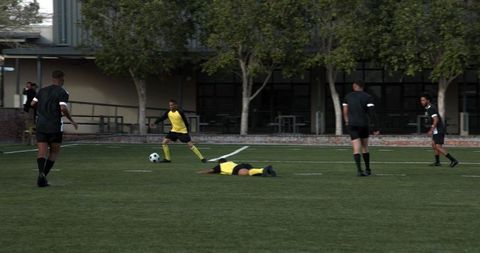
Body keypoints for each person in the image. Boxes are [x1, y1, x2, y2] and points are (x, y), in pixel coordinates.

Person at [31, 70, 78, 187]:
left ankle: (41, 174)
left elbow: (32, 103)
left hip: (41, 124)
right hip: (54, 125)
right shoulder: (62, 92)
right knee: (54, 152)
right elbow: (63, 108)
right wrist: (71, 120)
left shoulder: (42, 91)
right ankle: (43, 176)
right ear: (62, 78)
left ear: (52, 78)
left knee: (42, 152)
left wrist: (42, 110)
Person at [342, 80, 379, 177]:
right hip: (363, 124)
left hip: (352, 124)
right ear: (363, 87)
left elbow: (345, 110)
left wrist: (346, 121)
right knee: (365, 147)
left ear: (354, 86)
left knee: (356, 148)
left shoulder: (348, 96)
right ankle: (367, 169)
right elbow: (372, 113)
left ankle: (359, 170)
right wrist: (375, 126)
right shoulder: (368, 97)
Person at [420, 93, 459, 167]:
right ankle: (437, 162)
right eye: (421, 100)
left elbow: (436, 119)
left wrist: (431, 129)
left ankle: (453, 160)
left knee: (438, 146)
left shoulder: (431, 108)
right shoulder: (428, 108)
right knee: (434, 145)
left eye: (423, 100)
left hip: (439, 129)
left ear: (428, 101)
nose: (421, 102)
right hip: (437, 129)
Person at [198, 158, 277, 177]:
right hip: (242, 165)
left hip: (236, 169)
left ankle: (263, 170)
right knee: (251, 171)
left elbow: (211, 170)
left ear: (220, 162)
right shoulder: (230, 162)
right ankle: (266, 171)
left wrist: (200, 172)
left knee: (247, 173)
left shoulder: (220, 166)